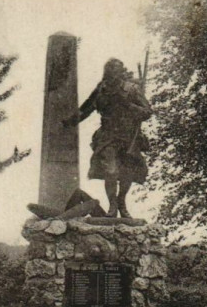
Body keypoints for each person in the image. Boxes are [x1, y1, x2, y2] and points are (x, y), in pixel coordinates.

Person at [64, 58, 152, 218]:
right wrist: (70, 121)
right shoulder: (101, 90)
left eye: (116, 71)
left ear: (120, 73)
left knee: (127, 174)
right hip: (107, 137)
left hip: (129, 138)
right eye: (110, 71)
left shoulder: (131, 89)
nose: (113, 75)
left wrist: (128, 105)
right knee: (111, 171)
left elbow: (147, 112)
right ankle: (112, 205)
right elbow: (86, 109)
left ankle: (121, 202)